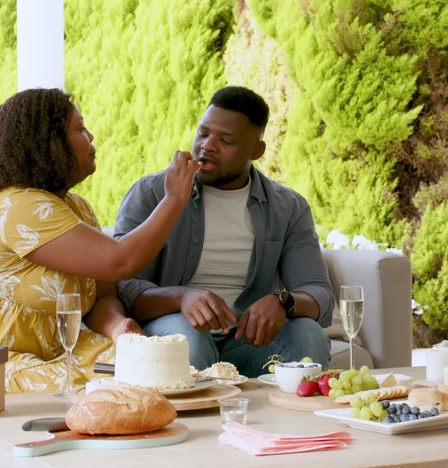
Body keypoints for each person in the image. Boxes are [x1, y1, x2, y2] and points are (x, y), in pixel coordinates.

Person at [0, 88, 199, 398]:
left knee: (147, 368)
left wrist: (119, 328)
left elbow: (101, 297)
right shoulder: (17, 206)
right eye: (79, 128)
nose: (91, 136)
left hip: (43, 357)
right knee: (115, 387)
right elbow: (121, 262)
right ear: (50, 144)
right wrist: (174, 198)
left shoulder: (77, 209)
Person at [113, 86, 333, 377]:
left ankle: (280, 422)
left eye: (226, 140)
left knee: (308, 335)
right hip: (176, 329)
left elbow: (319, 293)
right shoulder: (152, 193)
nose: (208, 146)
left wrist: (283, 301)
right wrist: (181, 297)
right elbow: (125, 287)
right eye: (203, 134)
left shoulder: (287, 207)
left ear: (256, 150)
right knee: (187, 335)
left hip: (248, 342)